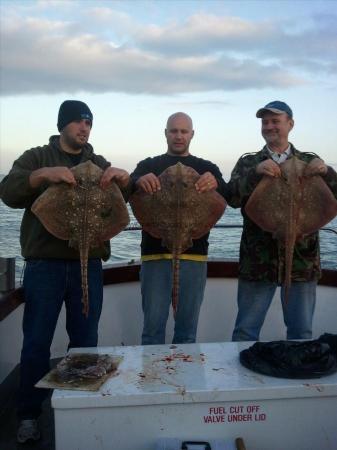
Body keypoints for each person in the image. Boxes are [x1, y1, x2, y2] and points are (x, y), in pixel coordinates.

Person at [0, 100, 130, 443]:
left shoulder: (97, 163)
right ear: (62, 126)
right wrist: (42, 176)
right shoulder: (37, 157)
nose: (83, 128)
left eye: (88, 123)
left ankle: (81, 407)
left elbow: (124, 196)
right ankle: (29, 414)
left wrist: (125, 178)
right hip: (45, 266)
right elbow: (8, 192)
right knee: (36, 343)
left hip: (88, 263)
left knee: (86, 341)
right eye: (76, 122)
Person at [227, 101, 337, 342]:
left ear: (290, 124)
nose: (269, 126)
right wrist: (256, 173)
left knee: (301, 333)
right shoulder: (249, 162)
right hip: (258, 262)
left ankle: (300, 378)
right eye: (265, 122)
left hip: (301, 263)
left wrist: (327, 172)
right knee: (246, 330)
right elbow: (232, 198)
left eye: (275, 121)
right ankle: (241, 378)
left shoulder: (310, 161)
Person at [131, 112, 227, 345]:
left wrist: (215, 183)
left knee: (186, 332)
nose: (178, 136)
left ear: (192, 134)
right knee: (152, 329)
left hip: (194, 257)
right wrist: (137, 181)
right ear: (166, 133)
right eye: (174, 131)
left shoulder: (206, 167)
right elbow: (128, 189)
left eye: (184, 131)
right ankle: (151, 379)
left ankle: (185, 381)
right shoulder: (149, 165)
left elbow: (228, 195)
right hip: (155, 256)